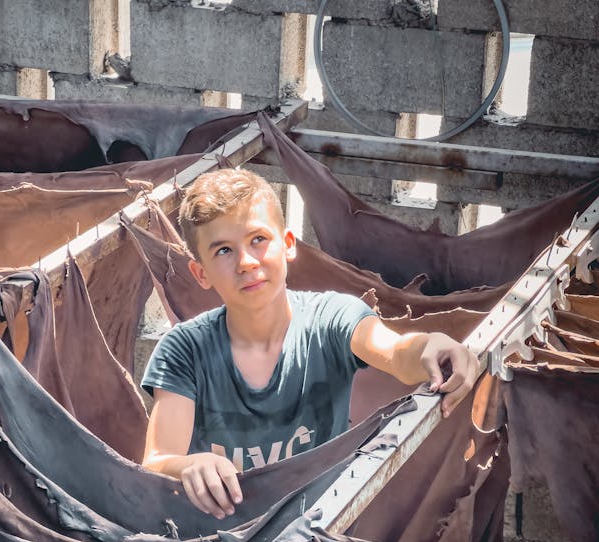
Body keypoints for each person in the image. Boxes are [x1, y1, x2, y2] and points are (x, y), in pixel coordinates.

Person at [141, 169, 479, 520]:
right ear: (201, 274)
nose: (246, 263)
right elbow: (155, 461)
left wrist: (430, 345)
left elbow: (394, 352)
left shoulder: (330, 318)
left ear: (288, 244)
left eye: (258, 239)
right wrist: (187, 466)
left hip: (313, 535)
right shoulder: (183, 349)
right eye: (224, 250)